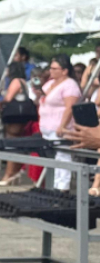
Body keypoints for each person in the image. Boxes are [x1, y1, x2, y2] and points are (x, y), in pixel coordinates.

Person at [38, 55, 82, 191]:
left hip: (61, 127)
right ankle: (53, 185)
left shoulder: (70, 86)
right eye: (50, 68)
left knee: (63, 156)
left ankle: (62, 186)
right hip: (47, 126)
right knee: (52, 156)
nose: (51, 71)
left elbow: (70, 107)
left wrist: (62, 125)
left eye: (54, 69)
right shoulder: (50, 83)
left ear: (64, 70)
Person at [0, 60, 36, 185]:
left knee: (12, 144)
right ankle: (15, 171)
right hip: (23, 115)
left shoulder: (16, 81)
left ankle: (9, 173)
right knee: (17, 144)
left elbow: (8, 98)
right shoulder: (24, 82)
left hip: (14, 116)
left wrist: (0, 103)